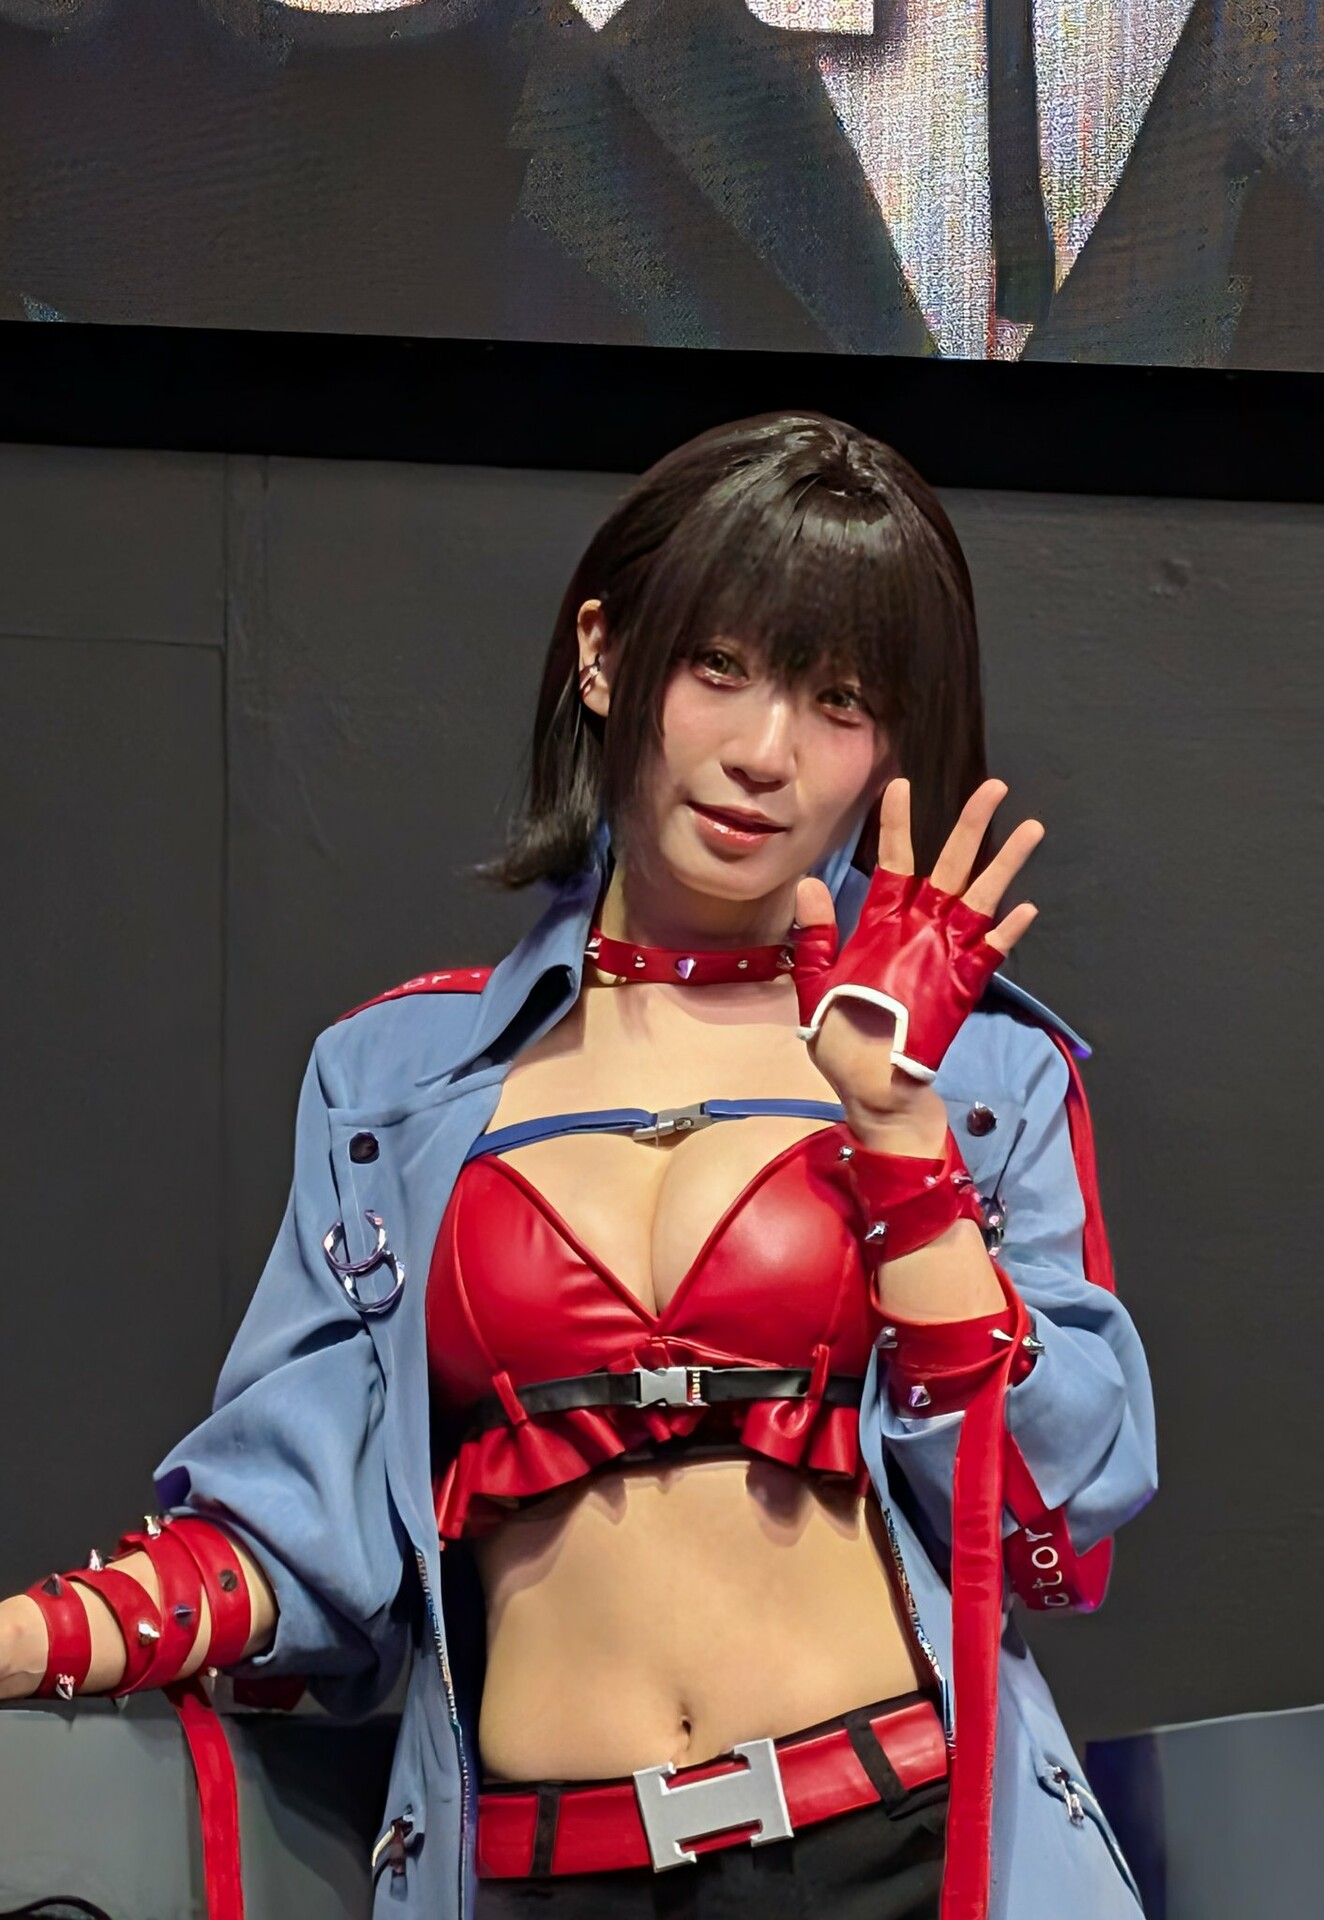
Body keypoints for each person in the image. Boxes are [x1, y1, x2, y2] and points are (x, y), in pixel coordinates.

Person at [0, 410, 1158, 1920]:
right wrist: (32, 1640)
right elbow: (299, 1528)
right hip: (539, 1876)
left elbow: (1047, 1518)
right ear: (605, 656)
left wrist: (899, 1145)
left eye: (840, 700)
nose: (764, 753)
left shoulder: (981, 1074)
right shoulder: (392, 1084)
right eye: (719, 666)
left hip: (899, 1849)